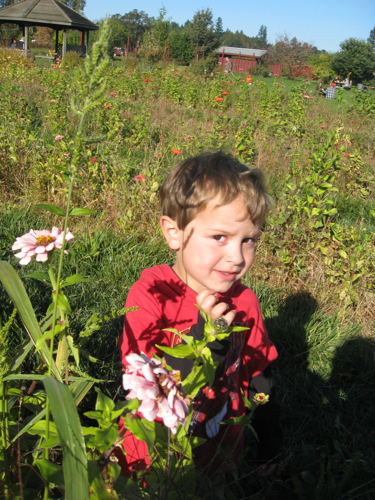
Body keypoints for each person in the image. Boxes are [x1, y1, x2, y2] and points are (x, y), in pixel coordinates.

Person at [119, 152, 283, 480]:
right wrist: (209, 341)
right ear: (174, 232)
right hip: (152, 459)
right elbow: (145, 384)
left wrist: (271, 447)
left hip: (218, 456)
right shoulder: (150, 296)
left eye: (248, 239)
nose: (237, 257)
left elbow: (261, 378)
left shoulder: (244, 301)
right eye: (219, 237)